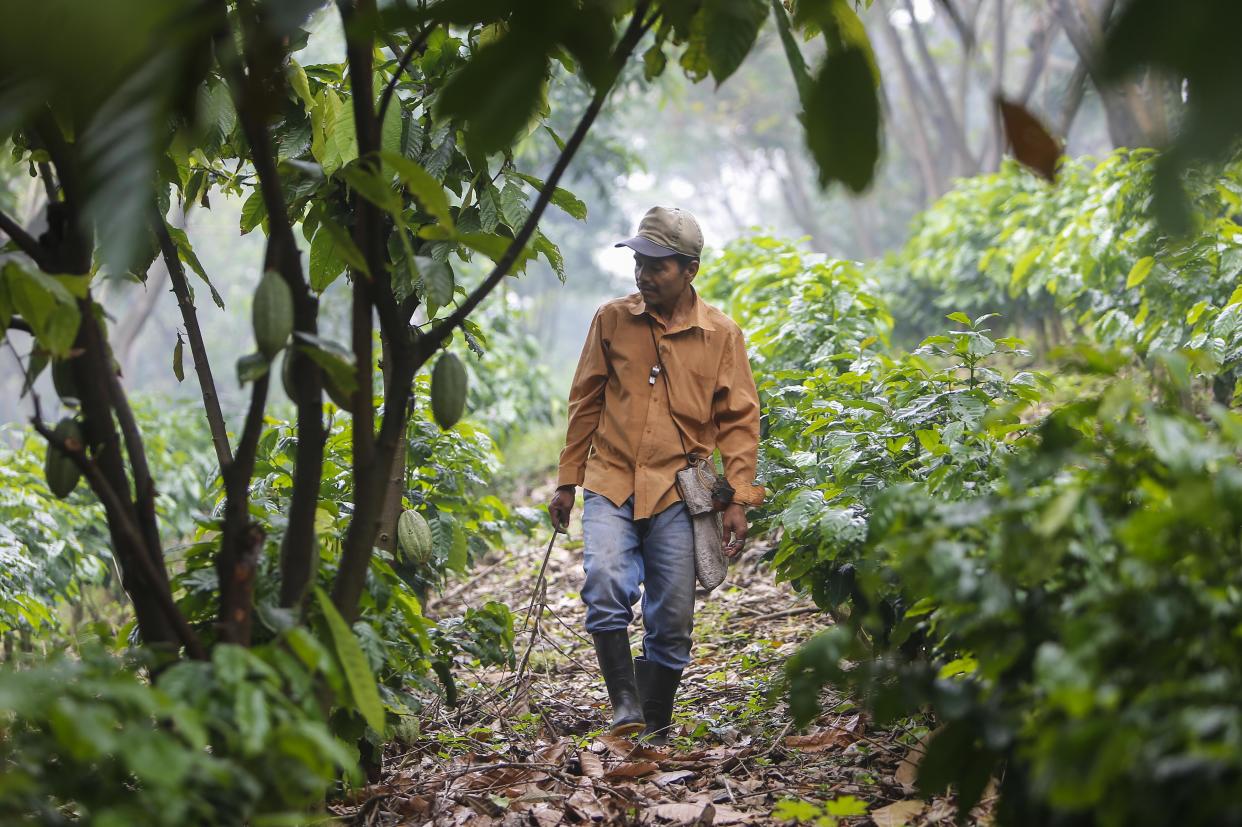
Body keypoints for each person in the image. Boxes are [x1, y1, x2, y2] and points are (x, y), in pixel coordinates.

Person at [548, 206, 763, 744]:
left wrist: (736, 497)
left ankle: (655, 721)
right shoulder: (612, 319)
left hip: (678, 491)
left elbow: (739, 421)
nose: (643, 273)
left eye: (657, 264)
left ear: (689, 269)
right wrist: (567, 480)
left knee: (672, 615)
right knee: (604, 585)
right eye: (639, 260)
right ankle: (624, 705)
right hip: (611, 481)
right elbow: (585, 401)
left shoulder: (720, 335)